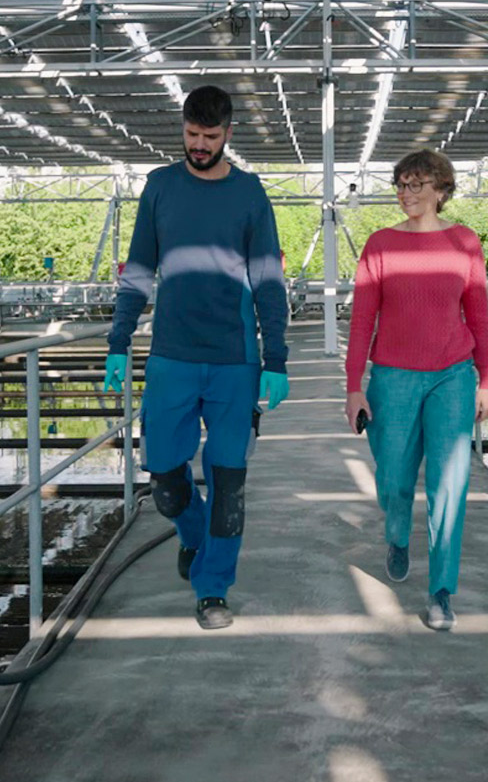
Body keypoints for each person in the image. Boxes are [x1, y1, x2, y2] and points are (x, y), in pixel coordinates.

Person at [102, 85, 289, 630]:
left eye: (210, 137)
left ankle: (213, 588)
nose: (199, 145)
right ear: (182, 128)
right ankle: (194, 535)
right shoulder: (160, 187)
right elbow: (138, 268)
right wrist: (119, 342)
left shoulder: (251, 194)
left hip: (235, 359)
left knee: (228, 482)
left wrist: (275, 358)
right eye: (191, 134)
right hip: (172, 358)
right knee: (164, 475)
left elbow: (269, 281)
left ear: (229, 133)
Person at [343, 149, 488, 631]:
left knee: (450, 483)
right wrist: (354, 386)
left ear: (441, 190)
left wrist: (486, 379)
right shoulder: (380, 243)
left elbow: (479, 314)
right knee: (393, 479)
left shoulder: (464, 242)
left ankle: (442, 592)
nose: (406, 194)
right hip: (392, 377)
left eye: (416, 185)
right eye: (401, 185)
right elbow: (363, 317)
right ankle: (397, 536)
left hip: (452, 373)